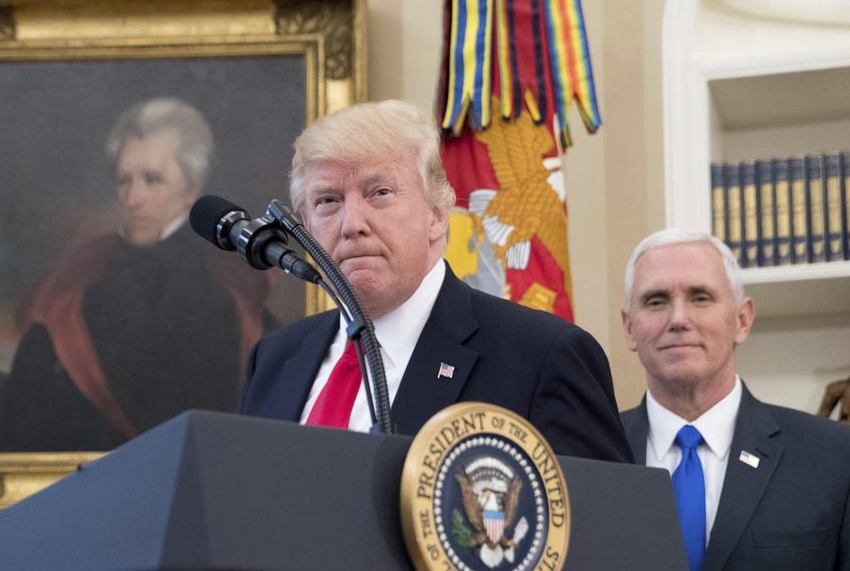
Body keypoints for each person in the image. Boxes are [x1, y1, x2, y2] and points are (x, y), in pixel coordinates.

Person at [239, 100, 632, 463]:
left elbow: (605, 527)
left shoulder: (541, 357)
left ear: (438, 214)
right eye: (328, 201)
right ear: (305, 226)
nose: (352, 224)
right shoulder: (275, 359)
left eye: (380, 192)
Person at [0, 98, 243, 452]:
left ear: (191, 190)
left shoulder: (224, 289)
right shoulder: (77, 281)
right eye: (124, 180)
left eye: (152, 180)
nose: (133, 198)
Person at [619, 228, 850, 571]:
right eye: (656, 301)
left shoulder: (836, 456)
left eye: (700, 297)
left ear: (742, 320)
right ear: (629, 328)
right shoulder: (587, 451)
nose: (678, 319)